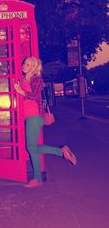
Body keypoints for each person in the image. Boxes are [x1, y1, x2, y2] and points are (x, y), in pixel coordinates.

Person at [14, 56, 77, 188]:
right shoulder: (24, 79)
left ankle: (37, 178)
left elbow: (35, 96)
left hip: (35, 116)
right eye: (25, 63)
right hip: (27, 116)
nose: (24, 65)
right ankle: (62, 152)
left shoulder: (37, 80)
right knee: (32, 147)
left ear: (34, 68)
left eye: (28, 64)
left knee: (31, 147)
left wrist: (21, 91)